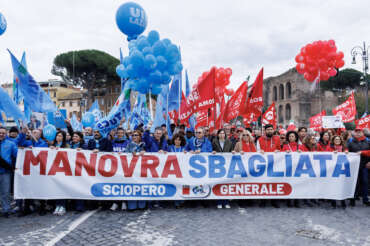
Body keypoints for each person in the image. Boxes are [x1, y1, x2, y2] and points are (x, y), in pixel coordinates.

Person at [256, 124, 281, 208]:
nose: (270, 131)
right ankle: (263, 200)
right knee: (264, 182)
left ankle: (274, 201)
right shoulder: (259, 139)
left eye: (271, 129)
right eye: (268, 130)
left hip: (275, 163)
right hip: (264, 164)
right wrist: (260, 152)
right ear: (265, 131)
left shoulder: (277, 139)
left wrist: (278, 151)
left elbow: (280, 149)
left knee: (274, 182)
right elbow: (257, 150)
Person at [347, 128, 370, 206]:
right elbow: (346, 149)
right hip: (353, 166)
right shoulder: (350, 141)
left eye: (359, 132)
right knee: (354, 183)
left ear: (363, 133)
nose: (358, 133)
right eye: (356, 132)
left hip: (364, 165)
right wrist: (346, 151)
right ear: (355, 133)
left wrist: (363, 153)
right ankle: (352, 199)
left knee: (365, 182)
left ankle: (365, 199)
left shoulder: (368, 141)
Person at [212, 129, 233, 209]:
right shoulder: (214, 142)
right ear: (218, 135)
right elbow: (212, 150)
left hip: (227, 165)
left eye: (223, 133)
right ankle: (219, 202)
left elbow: (231, 150)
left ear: (225, 134)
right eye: (220, 133)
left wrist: (233, 152)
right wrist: (213, 151)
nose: (221, 135)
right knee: (218, 184)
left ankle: (226, 202)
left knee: (226, 184)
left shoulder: (229, 142)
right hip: (217, 165)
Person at [125, 130, 146, 210]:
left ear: (140, 136)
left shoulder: (144, 144)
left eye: (136, 135)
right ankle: (132, 204)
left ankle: (142, 203)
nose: (134, 136)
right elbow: (124, 153)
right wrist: (129, 153)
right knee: (131, 185)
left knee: (142, 185)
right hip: (131, 169)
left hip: (142, 169)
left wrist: (144, 152)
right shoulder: (129, 145)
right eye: (133, 135)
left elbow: (151, 153)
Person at [50, 131, 69, 216]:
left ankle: (63, 206)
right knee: (56, 189)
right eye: (57, 135)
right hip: (54, 170)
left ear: (63, 137)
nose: (58, 137)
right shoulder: (52, 145)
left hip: (63, 171)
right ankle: (57, 205)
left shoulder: (66, 146)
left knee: (62, 189)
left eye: (60, 136)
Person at [0, 127, 18, 218]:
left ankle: (6, 210)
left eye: (3, 133)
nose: (1, 134)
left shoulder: (11, 144)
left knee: (5, 192)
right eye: (0, 133)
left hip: (5, 172)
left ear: (6, 134)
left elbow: (18, 154)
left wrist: (26, 150)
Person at [282, 131, 300, 208]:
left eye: (292, 136)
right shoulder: (285, 146)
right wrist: (284, 152)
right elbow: (280, 156)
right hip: (288, 168)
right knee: (289, 183)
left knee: (298, 185)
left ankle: (297, 201)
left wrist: (300, 152)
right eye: (289, 136)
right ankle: (289, 201)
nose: (291, 138)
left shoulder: (299, 146)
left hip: (297, 168)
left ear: (295, 138)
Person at [329, 135, 348, 209]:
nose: (337, 141)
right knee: (333, 185)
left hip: (342, 170)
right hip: (332, 170)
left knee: (341, 185)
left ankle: (342, 201)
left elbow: (348, 156)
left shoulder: (344, 148)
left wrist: (346, 152)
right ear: (333, 140)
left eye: (338, 139)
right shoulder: (330, 147)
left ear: (341, 140)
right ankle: (333, 202)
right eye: (336, 139)